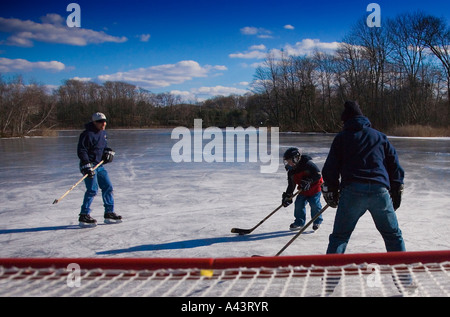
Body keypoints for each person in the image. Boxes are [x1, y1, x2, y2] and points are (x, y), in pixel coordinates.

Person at [321, 101, 413, 294]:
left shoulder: (342, 137)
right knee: (393, 236)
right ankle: (405, 282)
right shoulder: (379, 137)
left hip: (352, 191)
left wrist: (331, 189)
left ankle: (329, 284)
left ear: (345, 120)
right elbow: (394, 165)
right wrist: (396, 188)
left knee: (340, 237)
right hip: (380, 192)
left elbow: (331, 167)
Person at [77, 112, 122, 227]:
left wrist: (108, 152)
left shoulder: (103, 133)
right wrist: (86, 165)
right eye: (100, 122)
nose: (103, 124)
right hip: (89, 165)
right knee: (92, 189)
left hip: (99, 166)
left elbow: (103, 147)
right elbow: (82, 151)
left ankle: (109, 212)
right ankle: (84, 214)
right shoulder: (87, 134)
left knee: (108, 187)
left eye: (105, 121)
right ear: (94, 122)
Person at [282, 147, 324, 231]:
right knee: (298, 205)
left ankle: (317, 221)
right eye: (287, 161)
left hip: (315, 189)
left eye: (290, 161)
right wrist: (288, 195)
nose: (289, 163)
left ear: (296, 158)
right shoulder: (291, 171)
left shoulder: (307, 164)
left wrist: (309, 181)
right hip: (303, 190)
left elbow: (318, 175)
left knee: (315, 204)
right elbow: (291, 184)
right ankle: (299, 222)